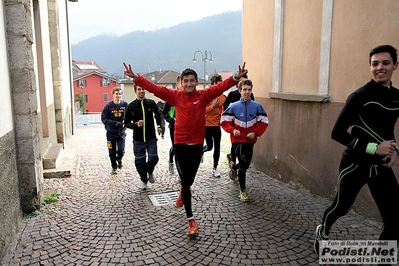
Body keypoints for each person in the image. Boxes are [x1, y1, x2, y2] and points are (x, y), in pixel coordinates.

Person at [123, 62, 248, 236]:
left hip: (197, 145)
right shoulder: (175, 96)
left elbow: (221, 86)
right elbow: (154, 88)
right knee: (186, 183)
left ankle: (183, 190)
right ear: (181, 83)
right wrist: (137, 78)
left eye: (192, 81)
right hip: (180, 145)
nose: (189, 84)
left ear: (197, 82)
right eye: (186, 81)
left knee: (189, 181)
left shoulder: (204, 96)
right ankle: (191, 221)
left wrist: (236, 77)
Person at [314, 45, 399, 255]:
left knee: (395, 217)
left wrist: (394, 150)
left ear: (395, 65)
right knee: (340, 208)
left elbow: (388, 131)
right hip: (354, 164)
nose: (380, 67)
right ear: (370, 67)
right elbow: (338, 132)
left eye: (385, 63)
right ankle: (323, 231)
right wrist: (373, 148)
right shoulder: (359, 96)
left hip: (380, 167)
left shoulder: (397, 97)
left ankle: (383, 258)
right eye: (375, 64)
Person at [221, 79, 268, 202]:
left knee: (246, 165)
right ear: (240, 91)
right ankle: (243, 191)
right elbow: (224, 121)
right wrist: (232, 130)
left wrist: (256, 133)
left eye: (249, 90)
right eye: (244, 90)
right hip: (238, 141)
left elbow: (264, 122)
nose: (247, 92)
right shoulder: (233, 106)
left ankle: (234, 168)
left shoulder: (257, 106)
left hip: (250, 141)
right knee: (243, 165)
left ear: (251, 90)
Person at [124, 85, 163, 190]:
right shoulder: (131, 106)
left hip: (151, 138)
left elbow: (158, 115)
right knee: (139, 163)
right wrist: (136, 125)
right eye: (139, 89)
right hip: (138, 140)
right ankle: (143, 179)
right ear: (135, 91)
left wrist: (159, 126)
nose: (141, 91)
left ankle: (150, 171)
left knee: (153, 158)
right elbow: (126, 123)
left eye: (143, 89)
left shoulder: (151, 103)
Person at [223, 74, 255, 179]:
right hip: (235, 127)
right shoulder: (232, 95)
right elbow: (226, 108)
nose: (246, 91)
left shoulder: (251, 95)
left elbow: (253, 108)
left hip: (247, 127)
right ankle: (233, 161)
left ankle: (235, 167)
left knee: (245, 157)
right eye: (241, 81)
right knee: (235, 147)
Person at [203, 74, 226, 177]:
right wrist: (212, 107)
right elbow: (202, 111)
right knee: (209, 147)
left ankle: (215, 168)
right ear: (212, 85)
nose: (217, 85)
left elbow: (224, 111)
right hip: (207, 125)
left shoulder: (223, 97)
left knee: (217, 147)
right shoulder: (207, 96)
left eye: (219, 84)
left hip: (217, 126)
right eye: (216, 83)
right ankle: (201, 151)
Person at [101, 87, 129, 175]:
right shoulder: (108, 106)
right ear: (113, 95)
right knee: (111, 152)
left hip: (121, 132)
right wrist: (113, 123)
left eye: (120, 94)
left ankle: (119, 159)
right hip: (110, 133)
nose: (118, 96)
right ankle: (114, 167)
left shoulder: (125, 105)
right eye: (116, 94)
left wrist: (126, 122)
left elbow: (130, 115)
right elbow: (104, 119)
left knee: (121, 150)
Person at [163, 76, 181, 175]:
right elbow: (165, 112)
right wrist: (171, 120)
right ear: (178, 83)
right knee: (175, 147)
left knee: (182, 148)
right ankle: (171, 161)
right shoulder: (171, 97)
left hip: (184, 128)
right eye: (181, 82)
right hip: (173, 127)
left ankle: (181, 168)